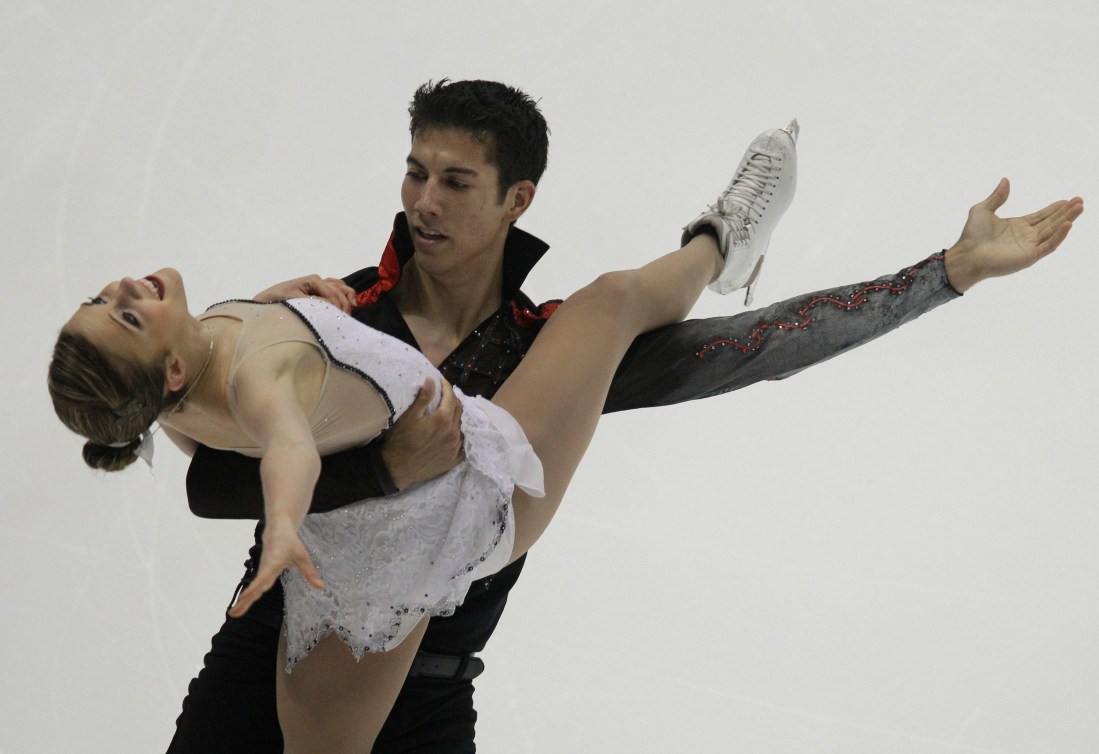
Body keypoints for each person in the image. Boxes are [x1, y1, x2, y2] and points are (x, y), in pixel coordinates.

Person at [164, 79, 1079, 752]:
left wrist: (944, 275)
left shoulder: (553, 353)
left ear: (517, 199)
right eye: (414, 174)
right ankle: (718, 239)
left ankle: (720, 238)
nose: (423, 202)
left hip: (427, 696)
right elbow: (211, 481)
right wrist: (383, 469)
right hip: (269, 660)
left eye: (455, 182)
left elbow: (758, 346)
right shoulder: (335, 318)